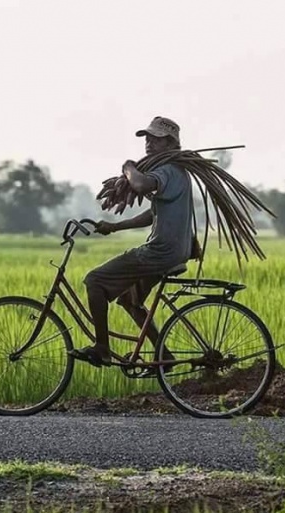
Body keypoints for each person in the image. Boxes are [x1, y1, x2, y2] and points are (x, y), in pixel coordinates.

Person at [68, 116, 194, 368]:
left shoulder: (167, 171)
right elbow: (153, 214)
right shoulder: (177, 173)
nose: (148, 142)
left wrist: (128, 166)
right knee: (129, 300)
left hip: (159, 252)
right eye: (147, 137)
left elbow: (139, 183)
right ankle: (164, 356)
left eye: (155, 138)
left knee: (94, 280)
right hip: (174, 251)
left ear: (170, 142)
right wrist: (115, 226)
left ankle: (102, 349)